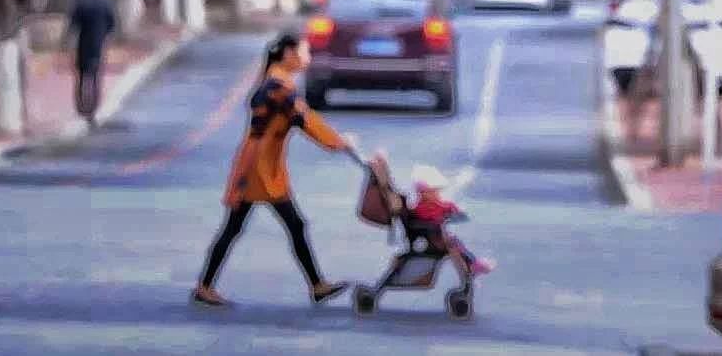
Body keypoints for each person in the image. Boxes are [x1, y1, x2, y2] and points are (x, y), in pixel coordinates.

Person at [193, 30, 352, 308]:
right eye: (305, 52)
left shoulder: (278, 82)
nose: (308, 57)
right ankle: (317, 286)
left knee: (245, 226)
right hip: (258, 170)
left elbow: (303, 119)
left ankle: (206, 286)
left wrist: (337, 142)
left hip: (263, 166)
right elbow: (306, 121)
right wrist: (339, 143)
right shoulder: (279, 87)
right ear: (289, 54)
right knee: (271, 225)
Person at [372, 155, 495, 278]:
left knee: (453, 241)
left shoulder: (420, 207)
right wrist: (451, 213)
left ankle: (471, 266)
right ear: (425, 193)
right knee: (454, 242)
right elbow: (451, 212)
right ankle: (472, 265)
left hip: (430, 237)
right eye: (435, 191)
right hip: (433, 240)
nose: (438, 193)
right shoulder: (432, 206)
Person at [64, 0, 116, 126]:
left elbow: (73, 26)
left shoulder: (81, 3)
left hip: (82, 45)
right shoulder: (105, 3)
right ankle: (92, 110)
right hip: (98, 45)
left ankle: (81, 107)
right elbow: (112, 24)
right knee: (95, 78)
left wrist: (68, 45)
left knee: (81, 77)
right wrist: (105, 37)